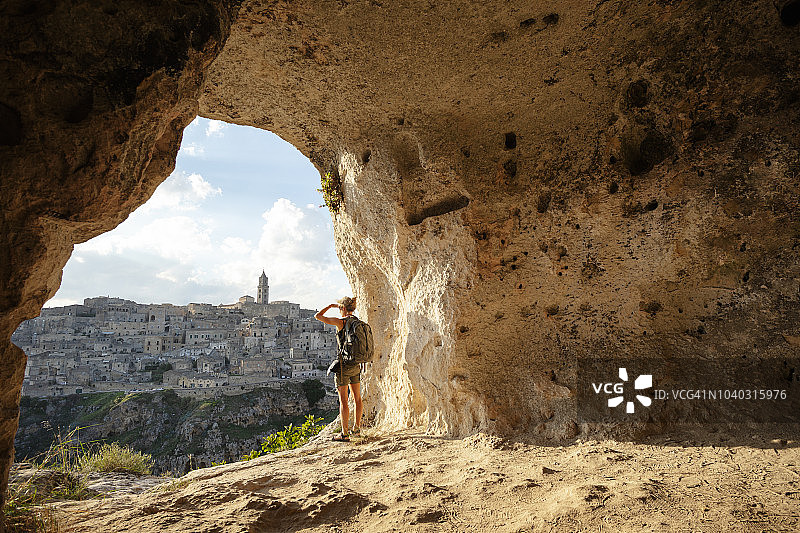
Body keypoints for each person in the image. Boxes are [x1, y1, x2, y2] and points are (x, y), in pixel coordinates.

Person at [315, 296, 363, 441]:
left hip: (343, 366)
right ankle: (357, 429)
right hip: (356, 364)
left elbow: (317, 316)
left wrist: (330, 306)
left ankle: (344, 433)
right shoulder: (357, 322)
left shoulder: (340, 322)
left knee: (344, 401)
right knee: (357, 398)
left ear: (342, 308)